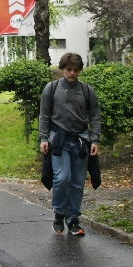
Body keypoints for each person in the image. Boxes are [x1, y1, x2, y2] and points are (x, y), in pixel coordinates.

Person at [38, 53, 101, 238]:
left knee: (77, 183)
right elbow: (44, 115)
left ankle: (73, 219)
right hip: (58, 140)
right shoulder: (51, 88)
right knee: (62, 177)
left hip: (81, 140)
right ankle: (59, 213)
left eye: (75, 70)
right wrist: (43, 138)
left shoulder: (86, 90)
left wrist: (95, 139)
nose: (72, 73)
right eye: (68, 70)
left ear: (80, 70)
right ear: (62, 69)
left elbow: (95, 116)